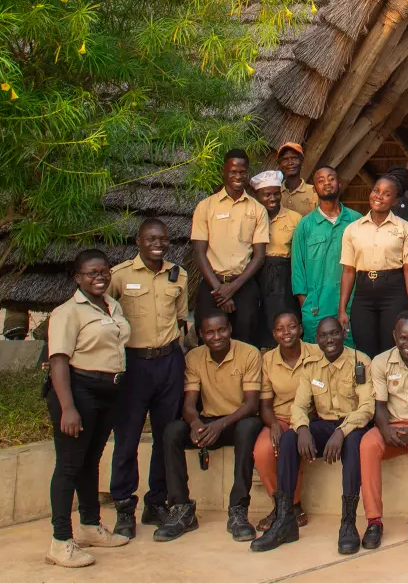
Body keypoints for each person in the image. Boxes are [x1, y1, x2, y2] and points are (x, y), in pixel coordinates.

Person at [251, 316, 374, 555]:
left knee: (353, 444)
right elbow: (299, 405)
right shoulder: (311, 365)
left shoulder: (360, 361)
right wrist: (302, 428)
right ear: (316, 340)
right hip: (324, 423)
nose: (330, 340)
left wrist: (341, 431)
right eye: (324, 336)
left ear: (343, 334)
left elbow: (367, 407)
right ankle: (285, 520)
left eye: (334, 333)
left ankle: (348, 524)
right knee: (289, 439)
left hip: (353, 425)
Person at [43, 249, 131, 568]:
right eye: (92, 273)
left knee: (90, 461)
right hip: (79, 391)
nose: (100, 277)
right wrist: (68, 407)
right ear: (78, 278)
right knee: (69, 465)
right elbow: (58, 360)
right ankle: (60, 541)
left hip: (108, 392)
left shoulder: (112, 305)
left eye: (104, 271)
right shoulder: (67, 312)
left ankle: (91, 525)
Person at [107, 218, 187, 540]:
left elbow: (180, 320)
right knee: (127, 438)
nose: (158, 244)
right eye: (151, 239)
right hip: (134, 365)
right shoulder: (119, 276)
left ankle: (157, 502)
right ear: (138, 241)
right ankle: (124, 507)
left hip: (169, 363)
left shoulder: (178, 275)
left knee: (165, 438)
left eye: (163, 239)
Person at [155, 313, 263, 543]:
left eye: (221, 330)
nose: (217, 336)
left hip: (236, 420)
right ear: (201, 335)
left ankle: (238, 510)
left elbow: (251, 405)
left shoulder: (249, 353)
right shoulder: (194, 357)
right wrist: (195, 423)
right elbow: (189, 404)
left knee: (248, 427)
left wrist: (220, 425)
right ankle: (181, 509)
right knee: (173, 431)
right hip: (208, 420)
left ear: (230, 329)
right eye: (210, 332)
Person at [359, 312, 408, 549]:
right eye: (403, 338)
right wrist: (386, 431)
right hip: (391, 426)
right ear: (394, 336)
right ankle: (374, 521)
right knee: (367, 444)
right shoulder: (380, 362)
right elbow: (379, 405)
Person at [191, 149, 270, 348]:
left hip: (243, 284)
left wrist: (232, 288)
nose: (238, 176)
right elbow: (199, 252)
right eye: (233, 171)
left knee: (245, 341)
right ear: (224, 171)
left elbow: (259, 256)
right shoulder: (206, 206)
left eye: (242, 172)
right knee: (208, 340)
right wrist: (220, 290)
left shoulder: (257, 209)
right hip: (212, 284)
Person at [252, 312, 322, 531]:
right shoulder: (268, 360)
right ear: (274, 334)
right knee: (262, 451)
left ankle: (292, 505)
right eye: (280, 329)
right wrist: (273, 424)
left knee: (290, 446)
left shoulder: (316, 353)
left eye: (291, 327)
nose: (286, 333)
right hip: (280, 417)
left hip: (309, 419)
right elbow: (265, 404)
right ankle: (282, 506)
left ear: (300, 329)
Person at [338, 175, 408, 358]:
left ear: (395, 201)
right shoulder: (353, 229)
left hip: (393, 293)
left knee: (391, 349)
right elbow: (348, 271)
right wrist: (342, 309)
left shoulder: (405, 228)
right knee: (364, 350)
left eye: (386, 194)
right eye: (376, 191)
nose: (379, 196)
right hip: (363, 294)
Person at [291, 166, 361, 342]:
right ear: (314, 189)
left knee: (351, 354)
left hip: (352, 305)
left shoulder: (356, 220)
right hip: (316, 308)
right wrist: (307, 305)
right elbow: (298, 270)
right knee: (317, 354)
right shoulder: (305, 225)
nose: (327, 183)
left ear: (339, 183)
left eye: (331, 178)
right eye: (321, 181)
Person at [251, 170, 303, 336]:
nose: (272, 198)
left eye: (276, 194)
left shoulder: (295, 218)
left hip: (285, 275)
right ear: (257, 196)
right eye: (267, 195)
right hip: (257, 272)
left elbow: (300, 253)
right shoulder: (251, 218)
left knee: (286, 313)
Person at [277, 142, 318, 219]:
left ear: (301, 162)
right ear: (280, 164)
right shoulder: (275, 193)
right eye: (285, 159)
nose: (290, 163)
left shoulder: (314, 193)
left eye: (294, 158)